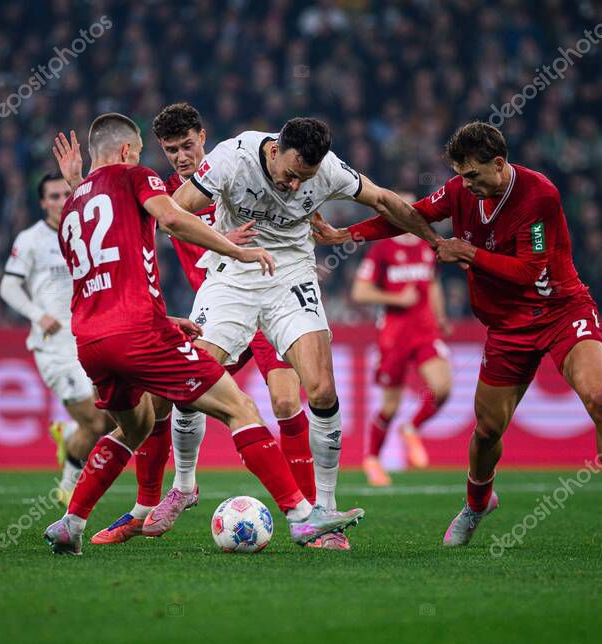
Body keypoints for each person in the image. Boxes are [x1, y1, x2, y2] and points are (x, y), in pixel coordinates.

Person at [314, 121, 602, 550]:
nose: (466, 184)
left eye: (473, 175)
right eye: (461, 175)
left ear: (499, 164)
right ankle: (477, 504)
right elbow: (413, 215)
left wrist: (468, 252)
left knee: (600, 399)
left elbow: (530, 271)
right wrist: (348, 234)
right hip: (507, 327)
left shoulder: (540, 196)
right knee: (486, 431)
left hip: (561, 310)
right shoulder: (461, 190)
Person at [42, 113, 364, 556]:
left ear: (204, 139)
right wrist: (231, 245)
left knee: (285, 400)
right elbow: (164, 223)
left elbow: (102, 256)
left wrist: (83, 183)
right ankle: (184, 497)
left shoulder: (232, 171)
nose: (180, 156)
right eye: (168, 150)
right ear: (133, 151)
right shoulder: (161, 191)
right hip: (218, 301)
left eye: (187, 146)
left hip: (113, 331)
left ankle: (72, 521)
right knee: (216, 406)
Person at [167, 117, 438, 548]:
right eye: (292, 175)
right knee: (190, 380)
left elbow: (385, 200)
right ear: (275, 151)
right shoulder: (232, 157)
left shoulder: (328, 169)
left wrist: (436, 243)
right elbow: (172, 211)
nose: (296, 187)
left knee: (322, 391)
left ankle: (324, 512)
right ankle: (183, 486)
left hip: (291, 274)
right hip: (233, 270)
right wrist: (223, 238)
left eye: (305, 179)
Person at [0, 172, 109, 504]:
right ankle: (68, 485)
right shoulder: (30, 239)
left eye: (66, 194)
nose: (62, 202)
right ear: (42, 203)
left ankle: (69, 454)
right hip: (55, 346)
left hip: (90, 337)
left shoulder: (86, 231)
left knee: (104, 422)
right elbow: (8, 286)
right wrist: (38, 315)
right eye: (54, 197)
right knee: (93, 419)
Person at [351, 201, 452, 486]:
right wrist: (396, 299)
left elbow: (432, 284)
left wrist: (440, 316)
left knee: (442, 387)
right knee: (390, 406)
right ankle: (372, 459)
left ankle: (412, 428)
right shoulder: (382, 249)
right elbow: (359, 292)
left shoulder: (427, 245)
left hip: (425, 331)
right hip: (394, 336)